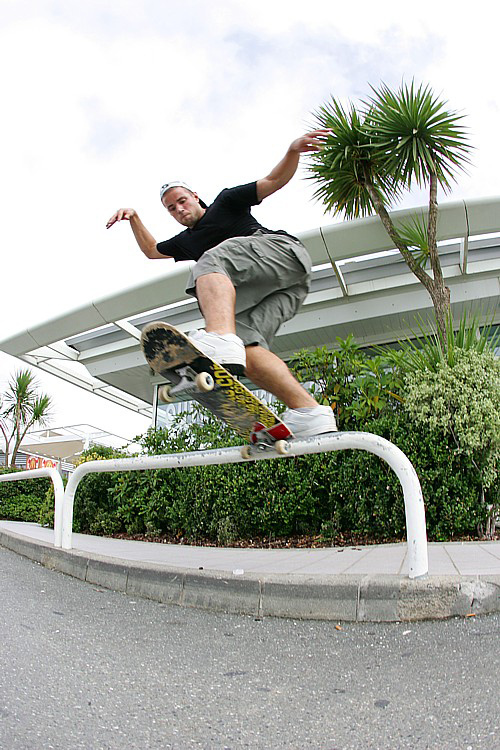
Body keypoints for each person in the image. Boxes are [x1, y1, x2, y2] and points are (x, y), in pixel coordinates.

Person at [106, 131, 337, 438]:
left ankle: (220, 338)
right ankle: (308, 411)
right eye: (171, 209)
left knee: (211, 260)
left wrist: (292, 151)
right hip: (287, 289)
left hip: (283, 253)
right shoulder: (186, 241)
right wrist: (134, 217)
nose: (179, 210)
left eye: (181, 201)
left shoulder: (225, 203)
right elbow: (151, 250)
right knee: (248, 348)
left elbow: (272, 181)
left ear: (195, 196)